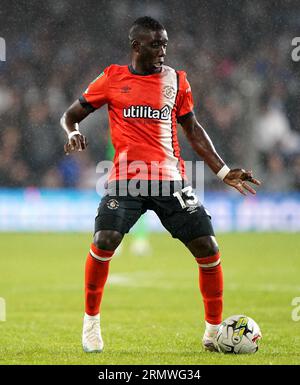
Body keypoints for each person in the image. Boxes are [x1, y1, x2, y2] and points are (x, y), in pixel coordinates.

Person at [60, 16, 260, 353]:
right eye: (156, 44)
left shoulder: (177, 81)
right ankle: (91, 325)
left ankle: (213, 334)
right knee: (104, 239)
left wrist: (223, 171)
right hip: (126, 181)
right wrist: (73, 132)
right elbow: (71, 115)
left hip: (170, 181)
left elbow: (193, 129)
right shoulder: (111, 77)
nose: (163, 50)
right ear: (136, 47)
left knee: (209, 249)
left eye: (165, 43)